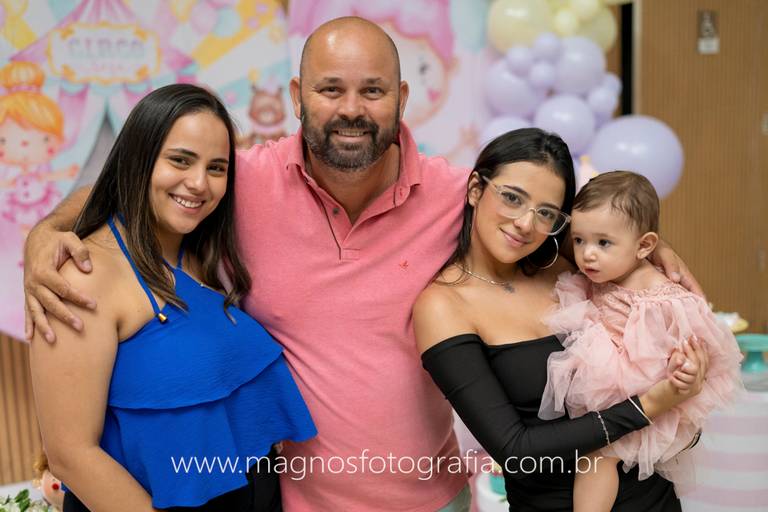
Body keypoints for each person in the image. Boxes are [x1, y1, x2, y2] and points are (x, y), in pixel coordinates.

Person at [22, 17, 702, 511]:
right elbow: (128, 186)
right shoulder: (240, 181)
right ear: (298, 96)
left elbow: (566, 223)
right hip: (295, 502)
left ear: (402, 98)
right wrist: (43, 235)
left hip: (435, 498)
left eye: (373, 90)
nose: (351, 110)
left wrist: (649, 255)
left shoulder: (458, 196)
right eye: (330, 89)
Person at [28, 84, 316, 512]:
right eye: (180, 160)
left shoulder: (202, 252)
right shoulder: (83, 277)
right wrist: (44, 232)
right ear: (139, 159)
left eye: (216, 168)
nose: (199, 183)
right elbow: (71, 454)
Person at [413, 129, 709, 511]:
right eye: (512, 198)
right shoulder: (443, 305)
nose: (525, 223)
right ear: (475, 189)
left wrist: (685, 371)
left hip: (655, 499)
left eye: (546, 213)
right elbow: (516, 451)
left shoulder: (568, 264)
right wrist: (651, 404)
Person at [537, 171, 744, 511]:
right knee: (593, 448)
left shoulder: (661, 296)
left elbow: (697, 343)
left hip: (647, 393)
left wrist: (684, 367)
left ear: (645, 246)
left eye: (603, 243)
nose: (587, 255)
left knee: (599, 455)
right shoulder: (603, 273)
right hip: (611, 389)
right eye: (579, 241)